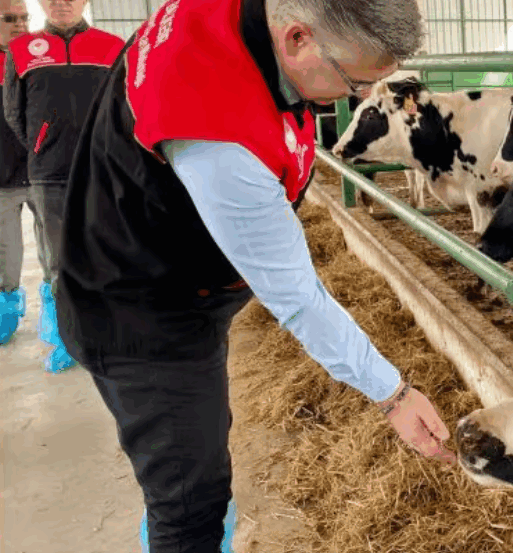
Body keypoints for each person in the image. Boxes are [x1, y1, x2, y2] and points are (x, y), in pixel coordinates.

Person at [53, 0, 455, 551]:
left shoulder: (245, 20)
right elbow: (295, 298)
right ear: (296, 40)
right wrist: (392, 394)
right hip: (142, 315)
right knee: (190, 501)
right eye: (355, 80)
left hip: (140, 250)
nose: (360, 98)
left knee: (192, 473)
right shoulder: (219, 129)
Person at [3, 0, 125, 370]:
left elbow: (121, 107)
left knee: (105, 253)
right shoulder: (22, 50)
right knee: (57, 262)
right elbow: (14, 112)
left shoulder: (112, 46)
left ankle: (109, 334)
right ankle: (68, 339)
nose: (62, 2)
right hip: (48, 175)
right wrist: (42, 146)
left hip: (99, 172)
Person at [0, 0, 29, 345]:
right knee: (7, 251)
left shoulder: (36, 60)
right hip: (2, 180)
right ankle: (7, 306)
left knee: (55, 253)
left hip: (40, 173)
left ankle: (58, 316)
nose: (19, 25)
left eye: (24, 18)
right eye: (10, 19)